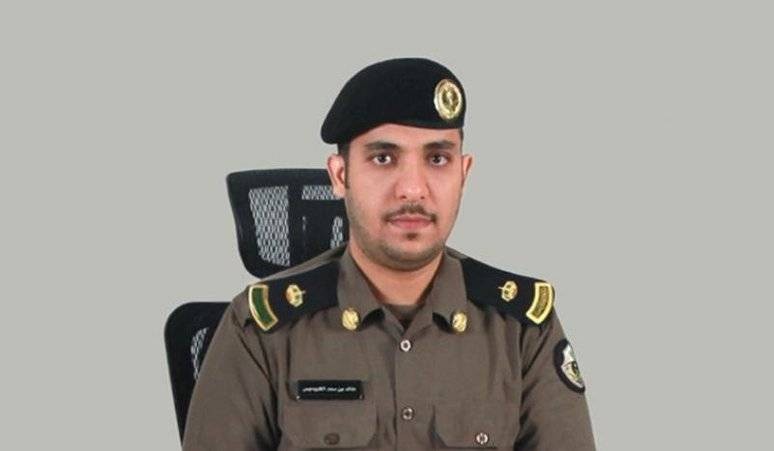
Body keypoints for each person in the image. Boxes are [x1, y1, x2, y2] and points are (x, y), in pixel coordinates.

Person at [182, 57, 596, 450]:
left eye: (437, 158)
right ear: (340, 175)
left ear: (463, 173)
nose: (412, 189)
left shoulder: (521, 329)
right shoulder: (261, 330)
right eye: (383, 158)